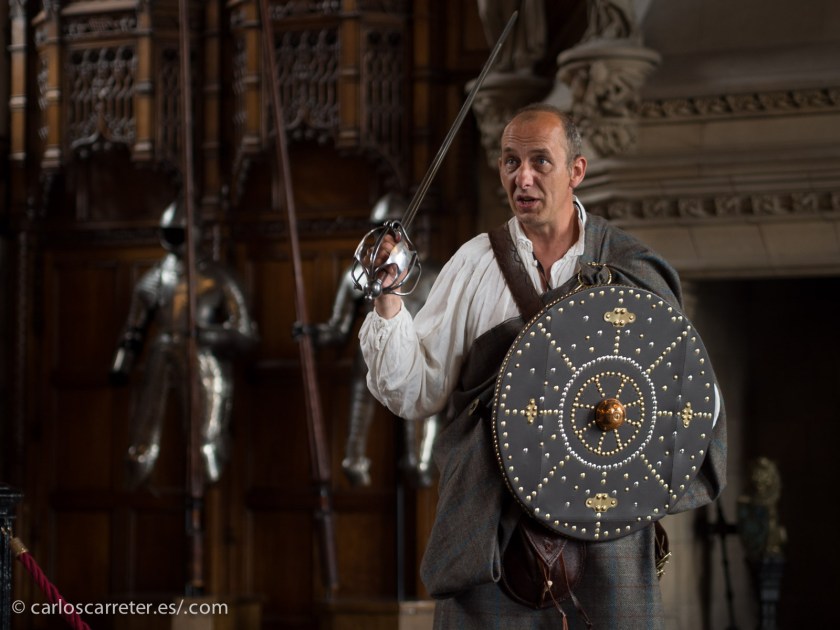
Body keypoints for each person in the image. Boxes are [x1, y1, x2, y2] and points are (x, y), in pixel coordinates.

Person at [358, 103, 726, 628]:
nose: (521, 177)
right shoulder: (475, 266)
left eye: (539, 162)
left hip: (607, 527)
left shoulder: (631, 268)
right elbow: (416, 389)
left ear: (576, 171)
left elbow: (692, 402)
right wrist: (389, 298)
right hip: (490, 523)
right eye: (510, 162)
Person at [110, 200, 259, 488]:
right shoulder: (155, 278)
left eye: (180, 231)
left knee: (206, 444)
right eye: (170, 232)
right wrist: (121, 365)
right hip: (161, 358)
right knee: (141, 447)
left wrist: (208, 335)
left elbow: (246, 334)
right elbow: (133, 331)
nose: (174, 238)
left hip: (203, 358)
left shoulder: (218, 277)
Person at [302, 193, 442, 488]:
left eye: (394, 227)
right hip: (367, 368)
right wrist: (312, 334)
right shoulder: (357, 275)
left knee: (420, 468)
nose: (387, 234)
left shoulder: (431, 277)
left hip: (419, 371)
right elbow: (337, 329)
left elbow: (443, 337)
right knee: (353, 463)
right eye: (380, 226)